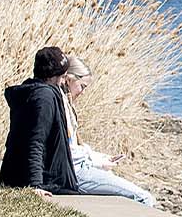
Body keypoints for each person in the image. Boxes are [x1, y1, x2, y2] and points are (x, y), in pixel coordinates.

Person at [55, 55, 160, 207]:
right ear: (69, 79)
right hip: (76, 173)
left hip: (79, 168)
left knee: (115, 181)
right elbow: (68, 152)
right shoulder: (60, 105)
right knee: (144, 198)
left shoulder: (65, 103)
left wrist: (100, 157)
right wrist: (97, 161)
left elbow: (73, 146)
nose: (82, 92)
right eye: (82, 86)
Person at [0, 46, 83, 195]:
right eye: (62, 76)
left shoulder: (30, 90)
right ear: (51, 76)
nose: (63, 81)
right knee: (134, 194)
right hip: (45, 179)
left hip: (16, 175)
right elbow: (35, 141)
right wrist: (35, 185)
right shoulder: (44, 98)